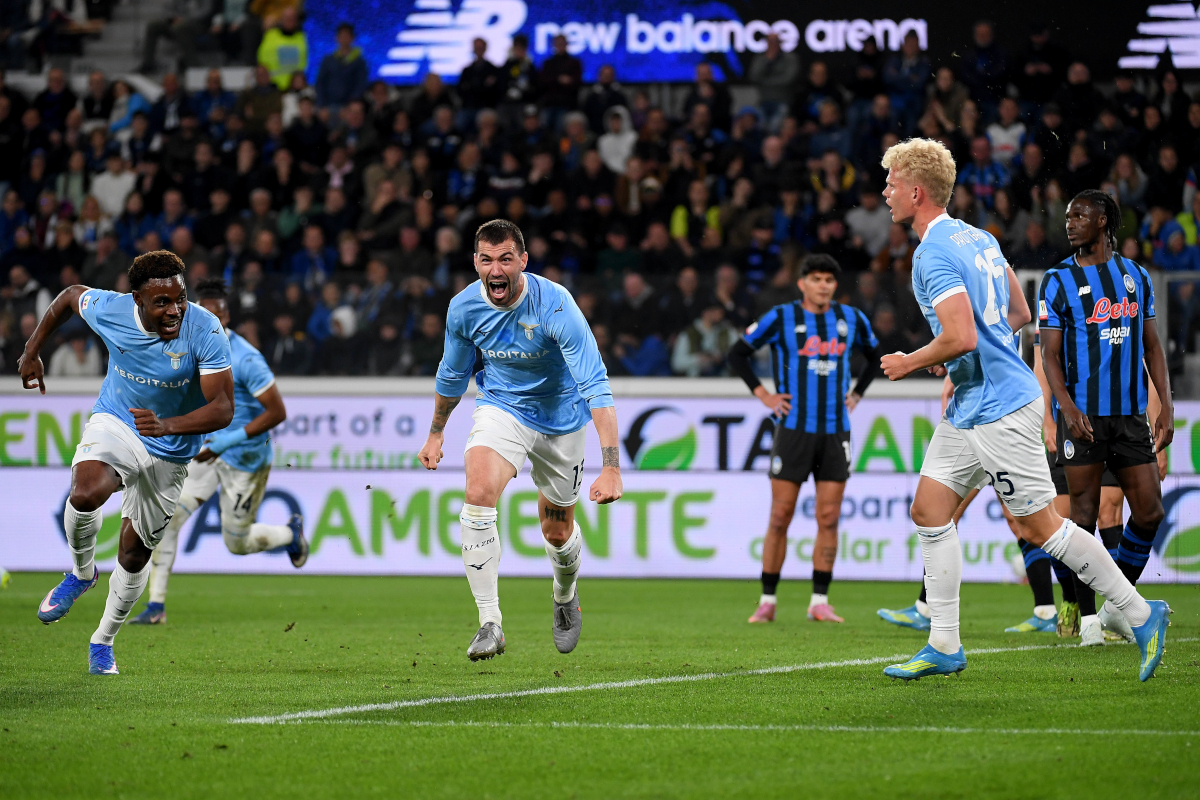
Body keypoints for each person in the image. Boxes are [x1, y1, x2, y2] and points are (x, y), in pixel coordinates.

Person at [877, 138, 1168, 682]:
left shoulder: (932, 252)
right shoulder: (979, 236)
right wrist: (962, 354)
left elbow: (962, 334)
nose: (885, 191)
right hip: (975, 401)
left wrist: (913, 360)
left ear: (916, 192)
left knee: (1043, 528)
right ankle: (943, 643)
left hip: (998, 407)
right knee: (929, 510)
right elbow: (1014, 312)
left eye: (891, 183)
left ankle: (1141, 615)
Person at [19, 251, 234, 675]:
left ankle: (103, 641)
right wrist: (32, 350)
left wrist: (167, 425)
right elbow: (68, 297)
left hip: (171, 449)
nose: (174, 310)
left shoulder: (205, 329)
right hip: (119, 420)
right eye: (161, 303)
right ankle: (82, 573)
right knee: (86, 492)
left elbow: (223, 407)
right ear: (136, 299)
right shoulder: (111, 309)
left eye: (180, 299)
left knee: (134, 555)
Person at [417, 220, 623, 661]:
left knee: (557, 530)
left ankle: (565, 595)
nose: (496, 268)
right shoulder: (463, 308)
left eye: (505, 258)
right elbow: (452, 376)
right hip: (501, 408)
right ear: (475, 263)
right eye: (487, 259)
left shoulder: (556, 305)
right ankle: (490, 622)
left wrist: (611, 466)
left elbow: (596, 385)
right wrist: (436, 433)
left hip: (561, 419)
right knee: (477, 495)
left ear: (522, 262)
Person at [1039, 190, 1173, 647]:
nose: (1069, 222)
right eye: (1069, 215)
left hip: (1131, 415)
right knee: (1083, 518)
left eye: (1080, 215)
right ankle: (1090, 619)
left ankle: (1120, 604)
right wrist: (1066, 408)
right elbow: (1050, 358)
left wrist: (1167, 406)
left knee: (1151, 510)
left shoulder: (1136, 276)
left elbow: (1152, 347)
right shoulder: (1056, 281)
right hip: (1084, 418)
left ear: (1104, 222)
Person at [131, 278, 306, 625]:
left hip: (244, 459)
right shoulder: (188, 347)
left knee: (236, 544)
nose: (210, 323)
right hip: (207, 452)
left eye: (217, 316)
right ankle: (156, 607)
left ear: (226, 317)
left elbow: (277, 412)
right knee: (167, 521)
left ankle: (290, 534)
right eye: (202, 315)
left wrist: (227, 440)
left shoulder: (247, 359)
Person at [726, 254, 879, 624]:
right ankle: (767, 599)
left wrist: (856, 394)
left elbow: (875, 358)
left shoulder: (851, 319)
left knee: (828, 516)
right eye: (816, 279)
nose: (823, 285)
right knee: (780, 516)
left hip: (835, 430)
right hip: (793, 430)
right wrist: (764, 396)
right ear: (802, 284)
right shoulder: (781, 317)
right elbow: (737, 354)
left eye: (829, 279)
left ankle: (819, 601)